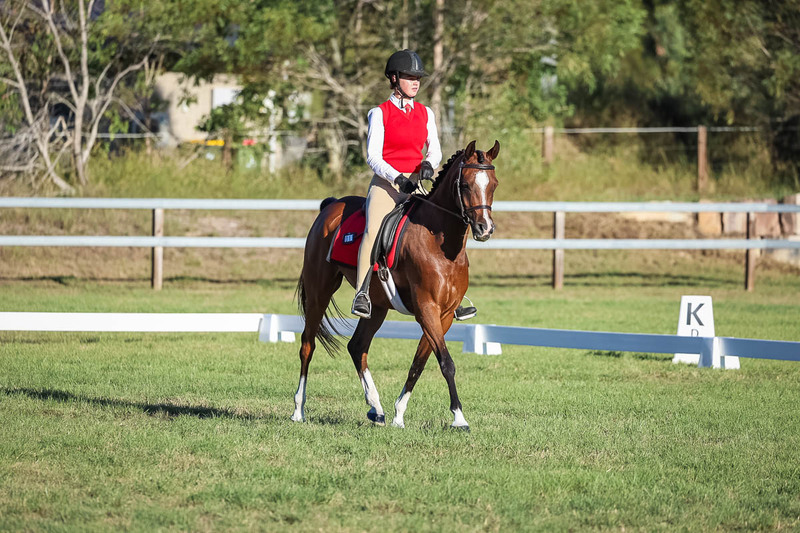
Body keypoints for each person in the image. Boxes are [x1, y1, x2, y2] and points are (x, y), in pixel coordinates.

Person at [351, 49, 477, 322]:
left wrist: (429, 165)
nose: (416, 82)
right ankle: (362, 291)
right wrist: (397, 178)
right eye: (410, 77)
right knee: (373, 230)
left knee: (442, 227)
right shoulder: (379, 113)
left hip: (416, 181)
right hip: (387, 184)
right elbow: (373, 156)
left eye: (418, 77)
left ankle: (454, 296)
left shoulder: (426, 112)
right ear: (394, 79)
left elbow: (435, 149)